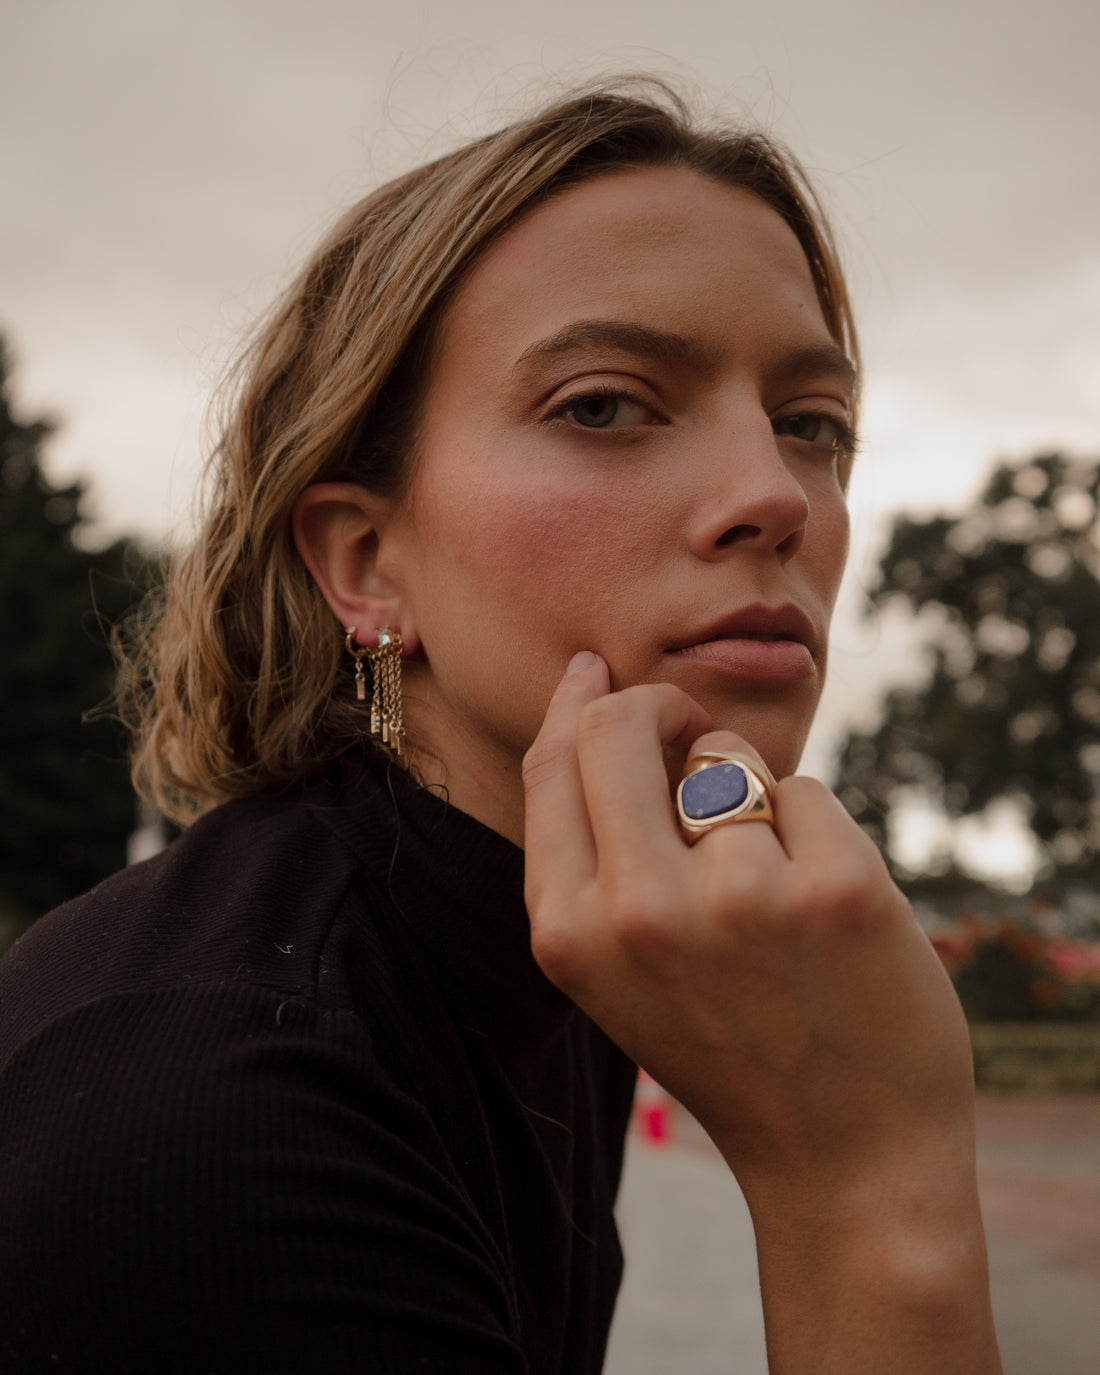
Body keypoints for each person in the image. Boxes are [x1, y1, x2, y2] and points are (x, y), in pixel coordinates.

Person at [0, 80, 1003, 1373]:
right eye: (603, 404)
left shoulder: (568, 937)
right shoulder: (216, 1109)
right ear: (367, 561)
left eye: (811, 424)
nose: (776, 496)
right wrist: (865, 1188)